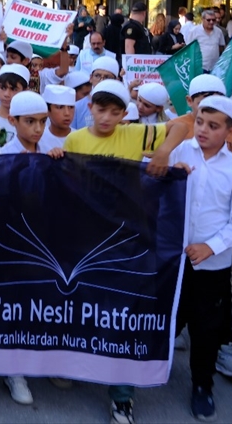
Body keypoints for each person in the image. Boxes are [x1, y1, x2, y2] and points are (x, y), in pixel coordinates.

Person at [58, 79, 192, 424]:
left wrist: (163, 152)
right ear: (90, 108)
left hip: (128, 239)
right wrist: (55, 158)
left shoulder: (135, 136)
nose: (106, 118)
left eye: (115, 112)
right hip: (86, 239)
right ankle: (72, 364)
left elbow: (187, 123)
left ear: (124, 114)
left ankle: (122, 396)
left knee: (122, 313)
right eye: (101, 109)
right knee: (81, 306)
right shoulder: (75, 140)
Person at [166, 96, 232, 422]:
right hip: (173, 259)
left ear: (230, 130)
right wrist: (168, 173)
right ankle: (149, 369)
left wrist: (212, 246)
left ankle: (202, 385)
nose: (203, 130)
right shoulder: (180, 151)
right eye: (201, 122)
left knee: (206, 329)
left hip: (212, 266)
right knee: (165, 318)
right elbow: (154, 180)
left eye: (214, 126)